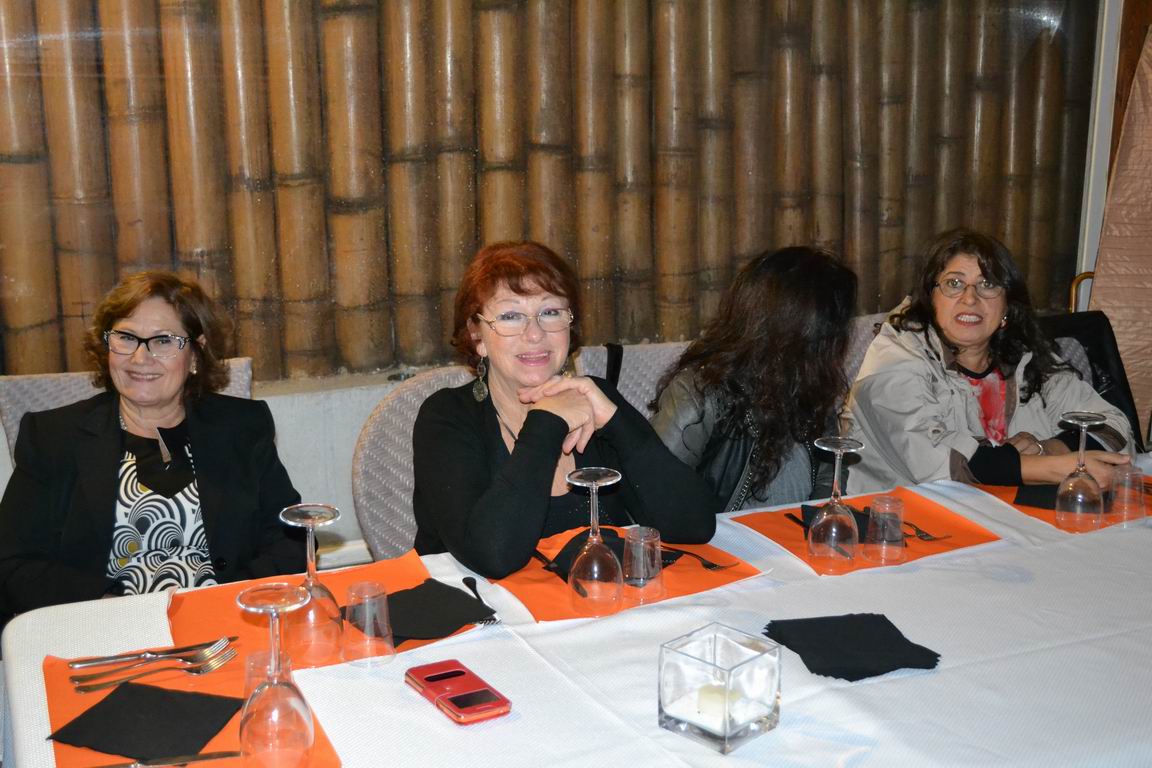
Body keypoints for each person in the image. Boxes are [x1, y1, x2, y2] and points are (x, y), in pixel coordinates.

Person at [0, 272, 304, 626]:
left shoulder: (243, 426)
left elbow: (292, 536)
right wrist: (108, 608)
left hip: (226, 625)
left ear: (195, 353)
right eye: (126, 337)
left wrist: (229, 604)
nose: (140, 357)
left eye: (163, 341)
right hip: (104, 630)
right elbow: (13, 562)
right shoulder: (54, 437)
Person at [412, 241, 720, 578]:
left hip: (598, 601)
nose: (535, 334)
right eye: (511, 316)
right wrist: (547, 421)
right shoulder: (446, 418)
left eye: (550, 312)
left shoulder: (594, 397)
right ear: (477, 336)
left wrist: (618, 423)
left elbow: (693, 526)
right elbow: (493, 557)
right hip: (477, 608)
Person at [844, 228, 1132, 493]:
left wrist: (1049, 449)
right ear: (931, 298)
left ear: (1007, 304)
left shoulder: (1024, 356)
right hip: (904, 521)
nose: (970, 298)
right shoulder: (893, 357)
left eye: (988, 284)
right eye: (954, 283)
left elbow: (1112, 425)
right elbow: (935, 461)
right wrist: (1059, 467)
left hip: (1015, 516)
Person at [649, 247, 859, 511]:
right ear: (801, 331)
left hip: (795, 534)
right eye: (833, 328)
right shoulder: (698, 392)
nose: (840, 338)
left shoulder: (810, 383)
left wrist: (818, 525)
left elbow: (829, 480)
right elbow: (654, 496)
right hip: (718, 536)